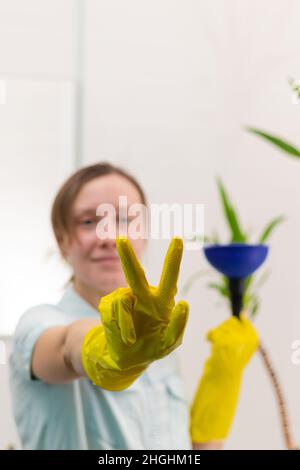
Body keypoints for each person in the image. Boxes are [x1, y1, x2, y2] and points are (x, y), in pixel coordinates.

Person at [9, 163, 258, 450]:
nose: (110, 237)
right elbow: (67, 347)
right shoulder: (39, 324)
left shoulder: (154, 338)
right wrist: (103, 350)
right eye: (89, 222)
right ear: (62, 239)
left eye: (126, 219)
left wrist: (223, 377)